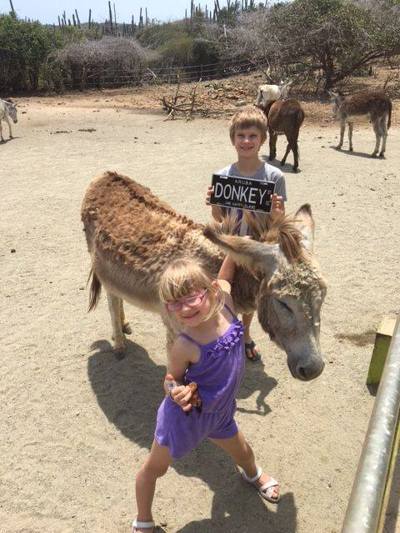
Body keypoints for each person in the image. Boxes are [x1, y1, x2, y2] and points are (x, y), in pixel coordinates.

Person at [132, 258, 280, 533]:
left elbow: (227, 273)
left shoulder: (227, 303)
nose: (184, 308)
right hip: (186, 418)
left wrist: (233, 250)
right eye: (174, 303)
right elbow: (171, 378)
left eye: (191, 298)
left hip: (221, 413)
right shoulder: (185, 344)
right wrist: (175, 391)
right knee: (153, 469)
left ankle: (254, 475)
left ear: (211, 291)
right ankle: (143, 520)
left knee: (245, 452)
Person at [207, 106, 287, 362]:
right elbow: (219, 219)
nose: (246, 141)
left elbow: (278, 224)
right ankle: (224, 334)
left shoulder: (275, 176)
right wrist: (214, 203)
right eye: (241, 136)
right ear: (233, 140)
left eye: (252, 136)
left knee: (252, 297)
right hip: (229, 247)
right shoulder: (223, 176)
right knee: (224, 293)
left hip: (257, 249)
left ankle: (246, 333)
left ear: (262, 139)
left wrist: (278, 212)